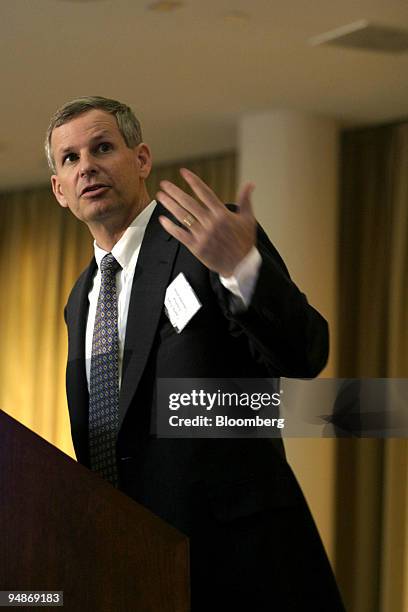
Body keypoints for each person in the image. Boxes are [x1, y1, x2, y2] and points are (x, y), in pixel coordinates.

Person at [46, 96, 345, 611]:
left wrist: (242, 270)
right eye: (70, 159)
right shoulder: (81, 299)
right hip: (136, 567)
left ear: (141, 160)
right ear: (59, 190)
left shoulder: (206, 241)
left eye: (102, 148)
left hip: (241, 565)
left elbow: (303, 354)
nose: (87, 165)